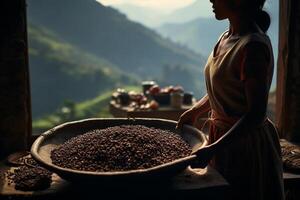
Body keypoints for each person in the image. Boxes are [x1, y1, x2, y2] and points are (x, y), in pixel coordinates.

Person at [176, 0, 285, 199]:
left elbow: (255, 114)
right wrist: (195, 111)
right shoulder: (226, 37)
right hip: (223, 140)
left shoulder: (253, 47)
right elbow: (224, 88)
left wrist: (213, 148)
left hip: (245, 146)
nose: (210, 0)